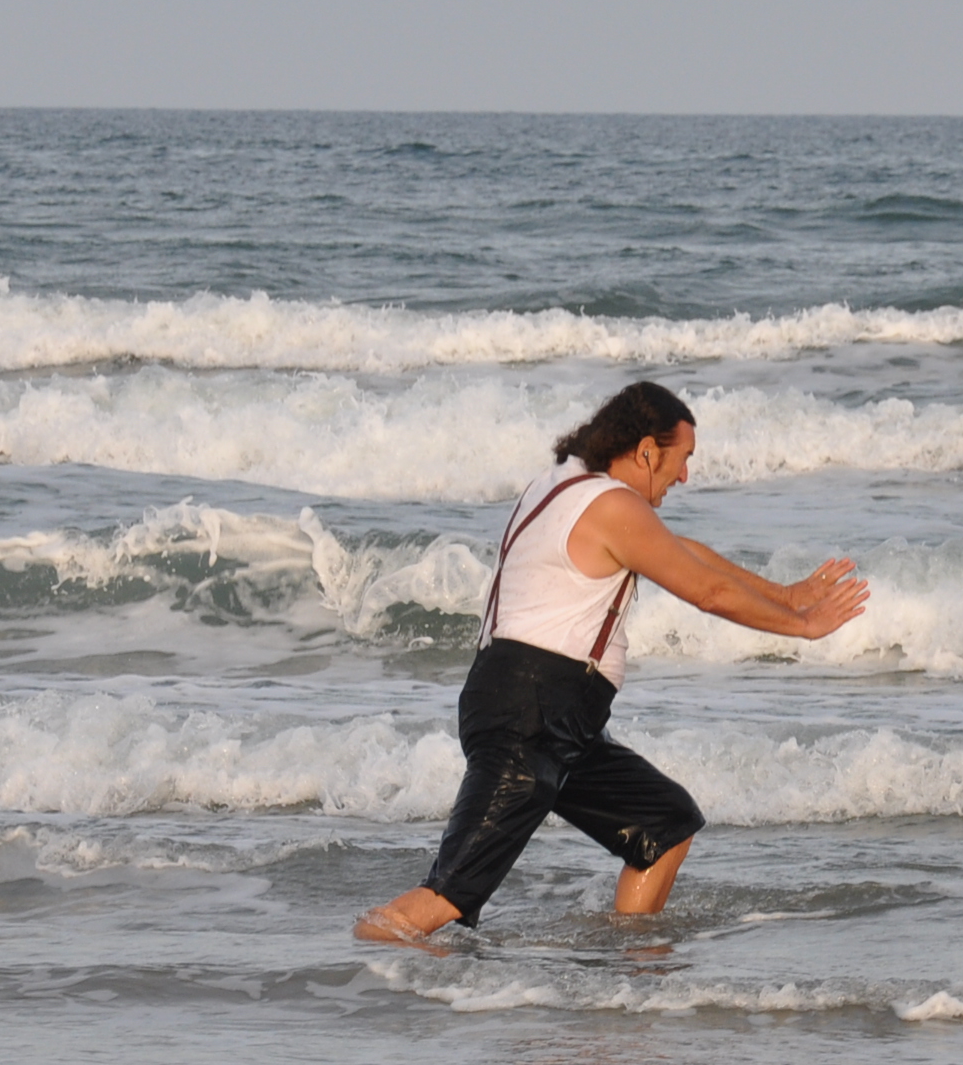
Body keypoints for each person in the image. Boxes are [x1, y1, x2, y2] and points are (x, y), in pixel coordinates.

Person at [353, 379, 870, 946]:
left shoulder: (565, 485)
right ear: (648, 449)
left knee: (663, 827)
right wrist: (801, 627)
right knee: (446, 896)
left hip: (545, 714)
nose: (686, 476)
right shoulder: (610, 505)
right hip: (531, 714)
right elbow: (707, 593)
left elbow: (678, 551)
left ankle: (629, 978)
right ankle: (358, 986)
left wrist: (786, 594)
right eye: (682, 458)